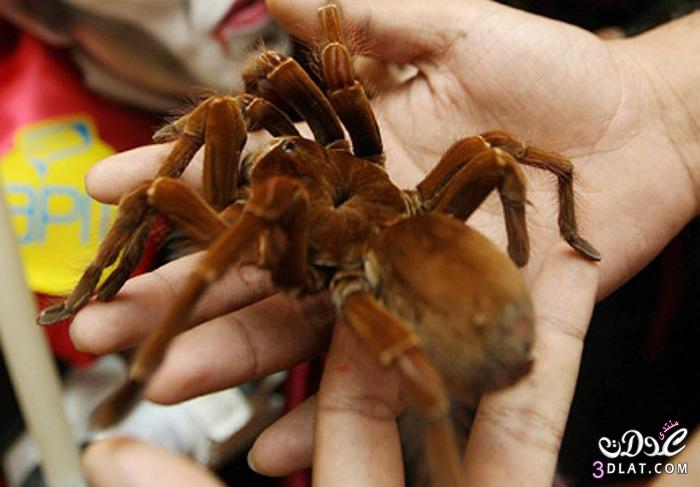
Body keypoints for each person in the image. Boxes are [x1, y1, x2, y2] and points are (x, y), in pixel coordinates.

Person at [71, 0, 700, 485]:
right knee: (493, 155)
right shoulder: (365, 151)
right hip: (432, 230)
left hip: (464, 298)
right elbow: (511, 155)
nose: (284, 140)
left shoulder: (271, 203)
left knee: (159, 189)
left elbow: (207, 204)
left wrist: (664, 98)